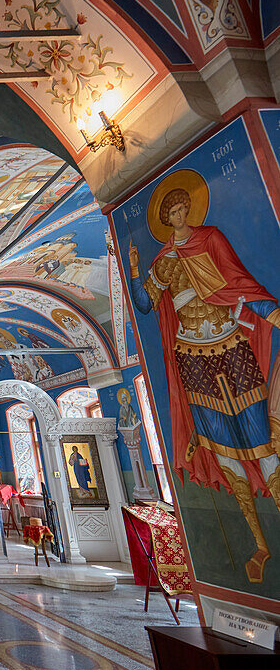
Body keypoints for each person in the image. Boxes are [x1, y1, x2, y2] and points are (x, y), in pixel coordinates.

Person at [129, 186, 280, 582]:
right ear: (166, 217)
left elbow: (240, 284)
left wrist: (274, 314)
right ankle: (260, 546)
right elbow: (144, 305)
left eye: (183, 208)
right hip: (192, 357)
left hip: (230, 344)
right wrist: (131, 270)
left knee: (264, 445)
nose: (181, 215)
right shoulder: (162, 262)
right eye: (173, 211)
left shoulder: (211, 239)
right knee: (226, 455)